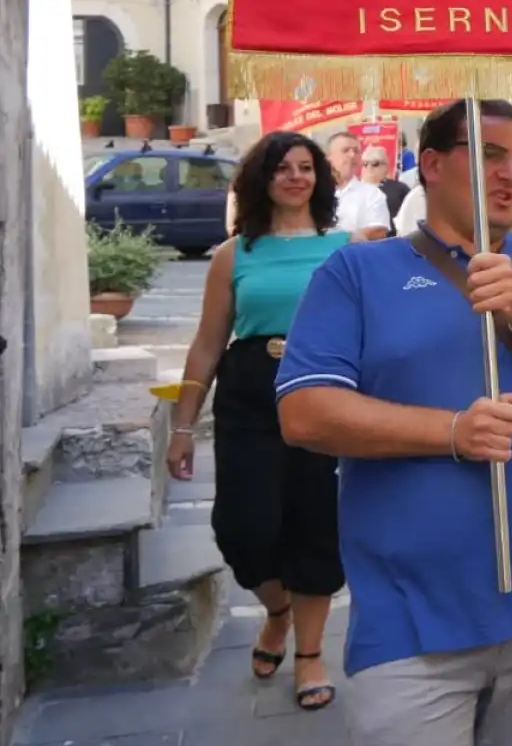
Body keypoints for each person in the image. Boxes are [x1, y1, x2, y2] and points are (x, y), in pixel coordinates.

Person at [274, 100, 512, 746]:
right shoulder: (358, 271)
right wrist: (451, 432)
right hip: (412, 625)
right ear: (431, 165)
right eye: (489, 154)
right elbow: (303, 411)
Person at [166, 131, 349, 712]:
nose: (296, 177)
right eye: (282, 168)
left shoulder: (343, 249)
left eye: (306, 167)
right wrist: (181, 426)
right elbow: (207, 344)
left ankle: (311, 654)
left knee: (315, 523)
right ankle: (277, 610)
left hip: (321, 390)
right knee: (243, 530)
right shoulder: (234, 253)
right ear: (260, 180)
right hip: (248, 393)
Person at [326, 132, 394, 241]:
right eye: (345, 150)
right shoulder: (314, 192)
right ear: (329, 157)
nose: (352, 155)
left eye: (356, 151)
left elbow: (379, 229)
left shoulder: (372, 194)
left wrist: (342, 240)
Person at [362, 146, 410, 226]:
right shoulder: (355, 190)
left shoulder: (399, 188)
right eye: (365, 164)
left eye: (375, 164)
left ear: (385, 166)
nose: (369, 168)